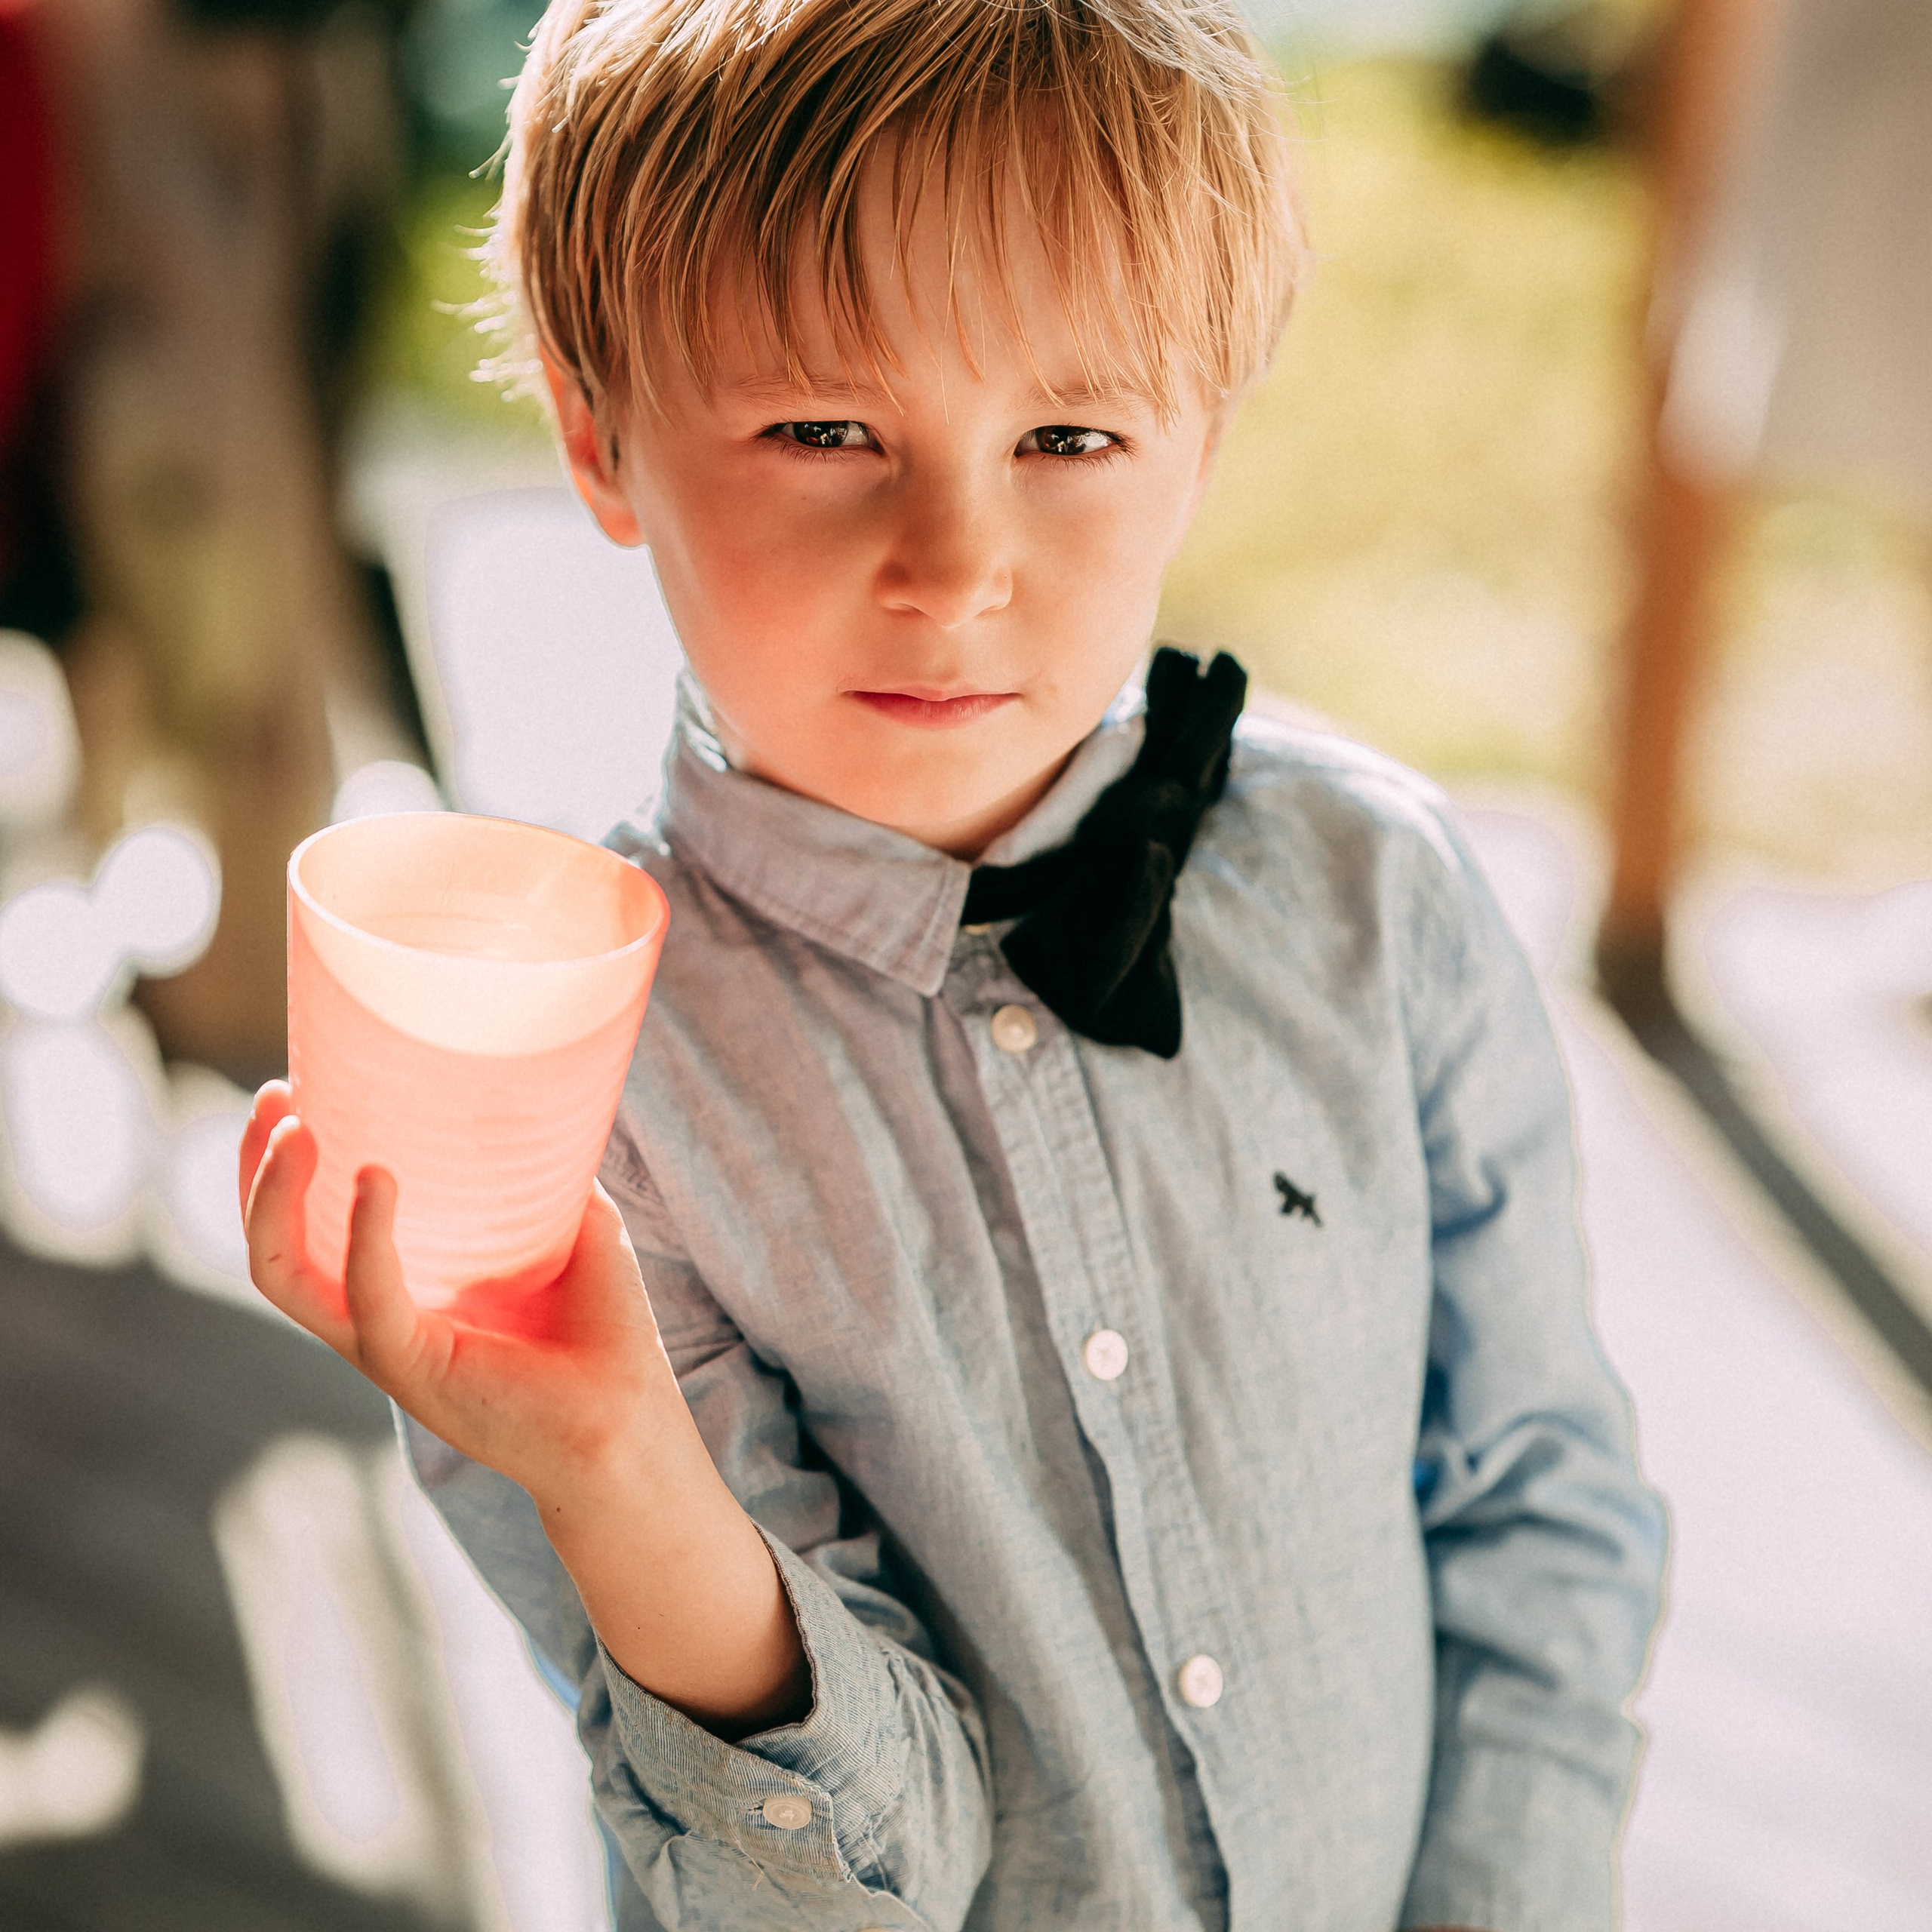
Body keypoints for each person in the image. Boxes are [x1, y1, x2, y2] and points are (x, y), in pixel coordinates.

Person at [239, 2, 1666, 1925]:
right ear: (597, 431)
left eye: (1068, 432)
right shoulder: (571, 1110)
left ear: (1205, 434)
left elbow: (1534, 1509)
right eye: (826, 428)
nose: (955, 557)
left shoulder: (1374, 894)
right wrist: (614, 1456)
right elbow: (837, 1888)